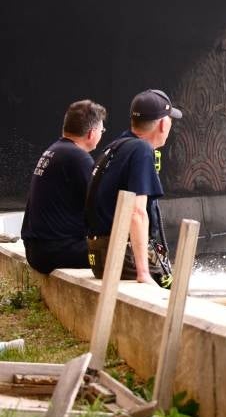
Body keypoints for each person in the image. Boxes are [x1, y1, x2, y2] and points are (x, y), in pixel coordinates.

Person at [85, 89, 182, 288]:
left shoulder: (116, 146)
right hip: (120, 257)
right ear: (163, 124)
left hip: (101, 255)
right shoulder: (141, 150)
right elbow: (136, 212)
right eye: (170, 119)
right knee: (172, 297)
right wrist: (143, 273)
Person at [20, 100, 107, 274]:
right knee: (121, 255)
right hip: (55, 252)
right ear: (91, 133)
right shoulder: (78, 158)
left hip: (37, 249)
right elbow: (99, 207)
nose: (102, 134)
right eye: (102, 130)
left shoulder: (54, 150)